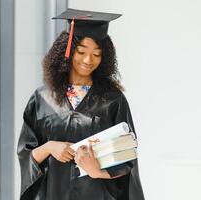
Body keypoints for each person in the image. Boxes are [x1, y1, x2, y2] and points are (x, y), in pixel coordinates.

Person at [17, 8, 145, 200]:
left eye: (96, 54)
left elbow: (128, 160)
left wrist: (97, 171)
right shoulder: (42, 98)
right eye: (81, 51)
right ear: (66, 52)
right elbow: (26, 154)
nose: (88, 60)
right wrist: (50, 147)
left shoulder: (112, 100)